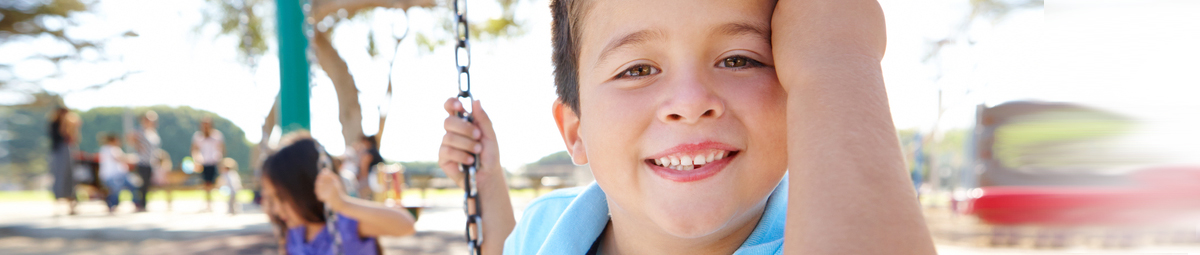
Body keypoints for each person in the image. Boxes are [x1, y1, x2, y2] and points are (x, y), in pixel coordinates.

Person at [436, 0, 937, 254]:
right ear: (575, 131)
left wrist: (836, 59)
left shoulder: (831, 236)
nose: (691, 103)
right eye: (637, 70)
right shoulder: (547, 224)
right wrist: (486, 185)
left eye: (739, 60)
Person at [259, 134, 416, 255]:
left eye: (280, 198)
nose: (277, 209)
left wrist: (342, 203)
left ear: (303, 190)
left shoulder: (346, 224)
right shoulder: (294, 232)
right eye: (271, 198)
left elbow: (406, 225)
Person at [48, 107, 80, 215]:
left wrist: (73, 126)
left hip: (67, 150)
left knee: (70, 177)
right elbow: (60, 135)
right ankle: (58, 204)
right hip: (60, 151)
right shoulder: (55, 124)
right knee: (60, 177)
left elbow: (74, 139)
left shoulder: (70, 124)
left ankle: (71, 204)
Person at [128, 111, 161, 212]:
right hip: (141, 161)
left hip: (151, 162)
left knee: (147, 184)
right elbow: (130, 138)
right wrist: (137, 145)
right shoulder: (139, 130)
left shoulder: (153, 132)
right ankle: (139, 204)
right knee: (141, 184)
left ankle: (144, 204)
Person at [99, 133, 138, 214]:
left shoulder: (116, 149)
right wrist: (132, 158)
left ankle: (137, 204)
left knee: (133, 185)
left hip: (122, 175)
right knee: (116, 188)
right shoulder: (108, 149)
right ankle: (112, 205)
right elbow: (120, 158)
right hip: (111, 176)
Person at [192, 117, 224, 212]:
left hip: (213, 162)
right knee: (205, 183)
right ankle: (208, 202)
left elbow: (221, 149)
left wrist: (220, 160)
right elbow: (195, 150)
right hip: (203, 163)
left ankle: (210, 202)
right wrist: (196, 160)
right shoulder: (198, 136)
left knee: (212, 183)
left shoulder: (217, 135)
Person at [355, 135, 384, 200]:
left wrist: (363, 179)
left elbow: (364, 166)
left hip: (373, 179)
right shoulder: (374, 150)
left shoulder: (370, 152)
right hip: (376, 179)